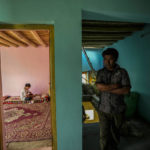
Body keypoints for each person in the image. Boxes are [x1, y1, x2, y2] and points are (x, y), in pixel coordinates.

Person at [96, 48, 131, 150]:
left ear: (115, 59)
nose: (107, 62)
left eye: (110, 59)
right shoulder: (100, 72)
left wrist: (106, 89)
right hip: (103, 109)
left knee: (115, 133)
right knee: (103, 134)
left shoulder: (122, 72)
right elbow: (99, 86)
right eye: (105, 59)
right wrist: (116, 86)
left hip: (118, 109)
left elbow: (126, 90)